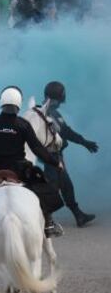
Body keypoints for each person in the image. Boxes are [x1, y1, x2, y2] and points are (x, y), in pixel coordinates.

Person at [0, 86, 64, 245]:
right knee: (42, 189)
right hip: (19, 169)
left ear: (2, 103)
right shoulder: (22, 124)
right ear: (18, 104)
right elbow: (37, 148)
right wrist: (55, 162)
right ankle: (49, 224)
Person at [43, 81, 99, 227]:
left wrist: (84, 142)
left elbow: (66, 131)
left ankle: (78, 215)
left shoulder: (52, 112)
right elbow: (65, 132)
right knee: (52, 189)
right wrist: (84, 142)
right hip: (50, 157)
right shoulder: (45, 113)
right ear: (59, 96)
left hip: (55, 156)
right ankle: (41, 221)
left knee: (66, 186)